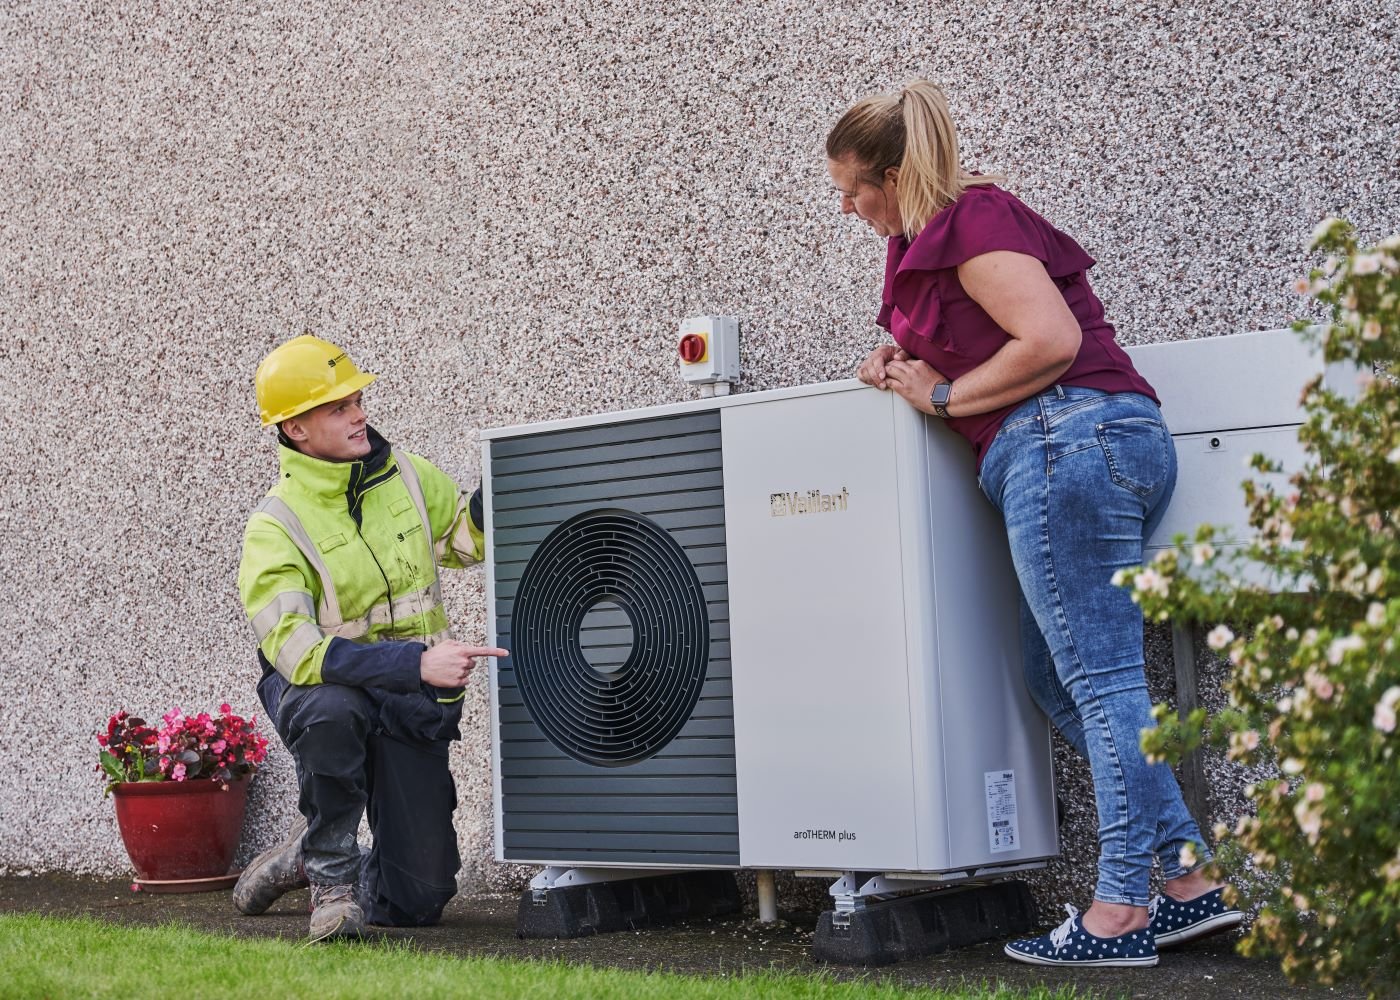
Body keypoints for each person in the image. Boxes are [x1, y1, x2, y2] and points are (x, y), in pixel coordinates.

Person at [826, 81, 1243, 967]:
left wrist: (939, 396)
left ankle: (1122, 911)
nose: (848, 207)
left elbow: (1047, 340)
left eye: (853, 190)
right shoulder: (930, 239)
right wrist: (900, 359)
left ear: (893, 176)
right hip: (1073, 447)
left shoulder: (970, 219)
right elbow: (980, 333)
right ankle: (1187, 883)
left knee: (1102, 684)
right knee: (1057, 680)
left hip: (1067, 443)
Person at [232, 334, 507, 942]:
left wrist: (507, 490)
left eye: (357, 400)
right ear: (296, 430)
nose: (359, 414)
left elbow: (462, 539)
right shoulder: (275, 527)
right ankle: (331, 881)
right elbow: (298, 652)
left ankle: (304, 851)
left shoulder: (405, 473)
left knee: (419, 899)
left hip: (409, 704)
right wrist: (415, 664)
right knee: (332, 708)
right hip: (327, 693)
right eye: (338, 407)